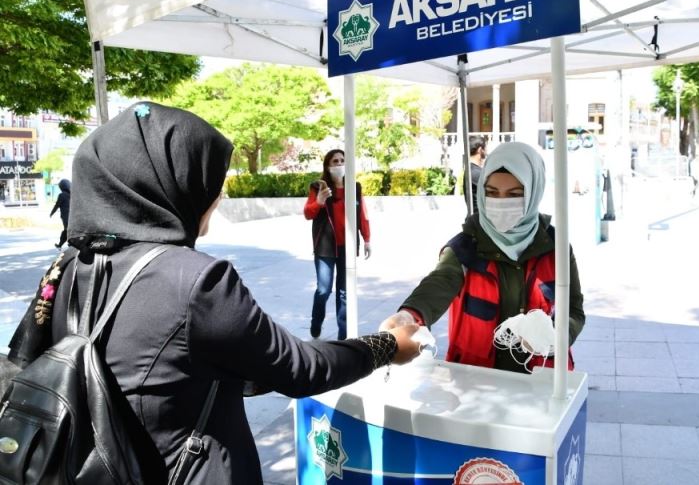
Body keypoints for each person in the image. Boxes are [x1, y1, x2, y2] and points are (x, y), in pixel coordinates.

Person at [8, 102, 419, 484]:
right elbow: (300, 368)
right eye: (205, 180)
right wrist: (387, 345)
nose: (216, 195)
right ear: (171, 182)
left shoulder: (66, 266)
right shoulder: (195, 281)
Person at [381, 142, 585, 373]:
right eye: (492, 192)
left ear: (533, 192)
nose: (501, 202)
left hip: (543, 380)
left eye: (514, 194)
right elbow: (438, 283)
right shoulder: (465, 247)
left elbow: (574, 310)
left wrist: (557, 337)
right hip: (476, 379)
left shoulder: (555, 247)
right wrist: (409, 315)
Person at [304, 149, 371, 340]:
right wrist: (319, 201)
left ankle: (343, 336)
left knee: (344, 292)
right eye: (335, 161)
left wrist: (367, 239)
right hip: (325, 247)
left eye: (343, 160)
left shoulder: (354, 187)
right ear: (328, 166)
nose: (340, 164)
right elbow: (308, 213)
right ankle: (316, 322)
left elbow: (362, 215)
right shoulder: (318, 187)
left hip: (347, 247)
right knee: (323, 290)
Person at [463, 135, 486, 214]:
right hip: (479, 218)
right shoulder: (476, 173)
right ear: (480, 150)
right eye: (485, 149)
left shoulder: (470, 170)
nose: (486, 151)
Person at [49, 178, 71, 248]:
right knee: (69, 230)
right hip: (73, 216)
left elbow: (57, 205)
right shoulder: (72, 195)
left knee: (67, 230)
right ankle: (66, 243)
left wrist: (52, 213)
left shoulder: (62, 195)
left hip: (66, 217)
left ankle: (64, 243)